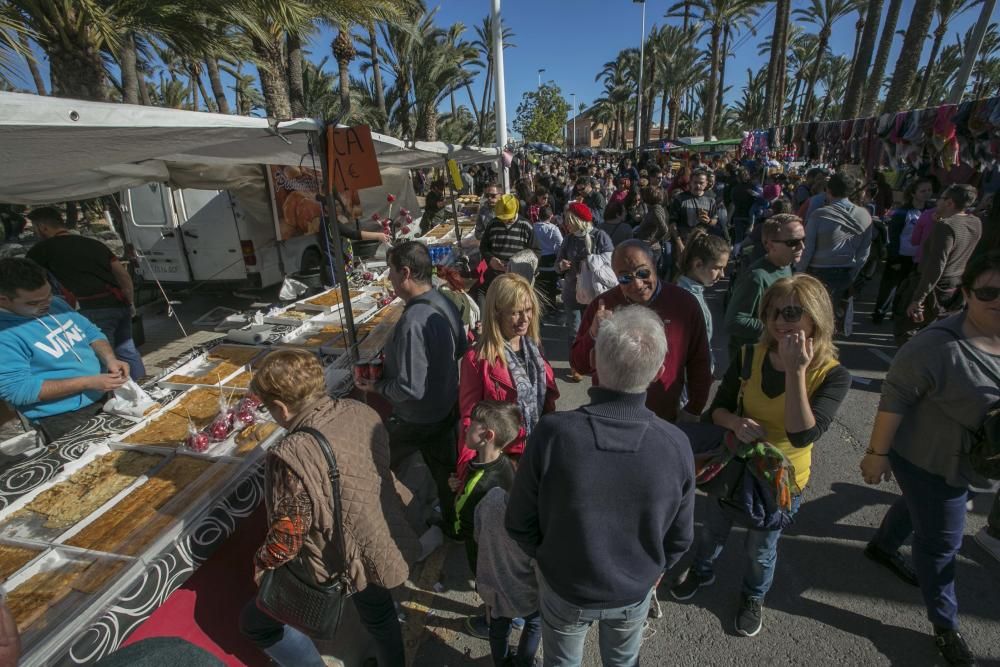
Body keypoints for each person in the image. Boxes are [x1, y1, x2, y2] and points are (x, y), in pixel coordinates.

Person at [506, 306, 695, 667]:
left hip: (565, 587)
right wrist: (652, 572)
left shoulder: (553, 434)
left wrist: (547, 559)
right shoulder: (675, 444)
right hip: (634, 589)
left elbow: (519, 521)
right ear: (659, 372)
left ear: (593, 359)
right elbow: (680, 538)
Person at [673, 274, 850, 636]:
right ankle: (702, 571)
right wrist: (735, 422)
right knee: (712, 531)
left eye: (790, 313)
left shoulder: (832, 375)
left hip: (780, 481)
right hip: (735, 467)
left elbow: (803, 435)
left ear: (816, 317)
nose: (778, 322)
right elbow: (715, 413)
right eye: (771, 313)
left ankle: (753, 595)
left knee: (760, 549)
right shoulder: (748, 355)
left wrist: (797, 370)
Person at [861, 252, 1000, 667]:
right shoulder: (934, 346)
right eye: (989, 291)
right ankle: (945, 625)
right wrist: (876, 455)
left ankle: (883, 547)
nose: (998, 300)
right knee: (942, 541)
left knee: (919, 507)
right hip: (928, 461)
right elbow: (894, 398)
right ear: (967, 294)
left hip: (972, 464)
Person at [241, 349, 419, 667]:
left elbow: (290, 532)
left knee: (256, 623)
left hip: (335, 554)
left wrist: (263, 564)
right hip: (374, 534)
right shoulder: (359, 410)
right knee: (379, 613)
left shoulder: (292, 453)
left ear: (280, 408)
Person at [354, 242, 467, 533]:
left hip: (419, 418)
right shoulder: (446, 301)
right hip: (445, 406)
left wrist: (377, 386)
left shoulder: (413, 322)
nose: (388, 278)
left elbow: (410, 387)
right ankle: (455, 526)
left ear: (404, 272)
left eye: (390, 272)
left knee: (376, 461)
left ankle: (379, 526)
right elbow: (461, 347)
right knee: (445, 474)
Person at [570, 240, 712, 423]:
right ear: (615, 276)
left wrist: (694, 409)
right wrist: (593, 333)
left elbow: (699, 362)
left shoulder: (684, 305)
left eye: (643, 273)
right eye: (625, 278)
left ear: (655, 265)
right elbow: (579, 365)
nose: (637, 284)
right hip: (610, 418)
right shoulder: (601, 307)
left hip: (664, 417)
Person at [0, 257, 130, 443]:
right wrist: (87, 382)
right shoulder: (4, 336)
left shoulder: (56, 304)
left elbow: (91, 332)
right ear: (3, 300)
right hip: (63, 416)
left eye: (49, 295)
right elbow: (18, 391)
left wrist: (110, 359)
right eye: (33, 302)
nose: (46, 304)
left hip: (103, 395)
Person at [26, 206, 145, 380]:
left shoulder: (41, 250)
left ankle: (116, 396)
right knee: (126, 349)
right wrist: (130, 302)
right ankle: (143, 384)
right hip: (118, 303)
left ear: (43, 227)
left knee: (104, 356)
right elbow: (123, 275)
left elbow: (28, 282)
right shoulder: (94, 244)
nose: (35, 232)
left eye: (35, 228)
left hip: (90, 309)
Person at [457, 272, 559, 475]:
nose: (525, 319)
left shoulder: (534, 347)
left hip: (538, 451)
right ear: (497, 312)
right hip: (504, 462)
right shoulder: (477, 358)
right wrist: (467, 470)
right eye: (515, 312)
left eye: (528, 310)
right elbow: (469, 419)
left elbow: (545, 405)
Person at [724, 215, 805, 369]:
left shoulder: (786, 266)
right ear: (769, 245)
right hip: (750, 362)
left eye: (803, 240)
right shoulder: (756, 277)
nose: (802, 247)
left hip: (773, 355)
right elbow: (733, 322)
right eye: (792, 242)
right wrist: (777, 326)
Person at [475, 484, 542, 667]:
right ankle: (523, 662)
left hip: (494, 588)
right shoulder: (540, 520)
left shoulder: (492, 498)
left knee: (498, 627)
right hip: (527, 595)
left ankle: (501, 662)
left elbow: (477, 534)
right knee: (535, 624)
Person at [903, 184, 982, 333]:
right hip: (955, 285)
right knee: (939, 331)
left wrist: (918, 298)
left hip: (935, 286)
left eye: (941, 198)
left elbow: (936, 265)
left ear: (949, 202)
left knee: (906, 330)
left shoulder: (945, 226)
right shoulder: (975, 222)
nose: (937, 201)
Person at [452, 400, 519, 573]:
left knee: (481, 575)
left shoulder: (478, 486)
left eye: (472, 424)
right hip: (501, 541)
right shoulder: (506, 462)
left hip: (481, 548)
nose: (466, 427)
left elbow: (462, 518)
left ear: (488, 436)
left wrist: (461, 492)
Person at [797, 173, 873, 325]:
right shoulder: (864, 215)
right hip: (845, 272)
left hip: (818, 272)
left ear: (828, 190)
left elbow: (808, 250)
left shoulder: (819, 215)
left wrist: (798, 273)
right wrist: (852, 274)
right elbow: (864, 253)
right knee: (830, 317)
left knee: (813, 317)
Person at [557, 203, 615, 382]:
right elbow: (557, 264)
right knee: (575, 330)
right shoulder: (568, 239)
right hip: (572, 291)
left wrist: (591, 261)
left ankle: (599, 363)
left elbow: (611, 261)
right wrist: (561, 266)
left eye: (569, 220)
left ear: (578, 220)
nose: (566, 224)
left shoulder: (600, 236)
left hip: (597, 293)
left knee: (599, 329)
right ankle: (576, 365)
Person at [872, 178, 936, 323]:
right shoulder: (903, 212)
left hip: (918, 258)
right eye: (923, 191)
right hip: (900, 255)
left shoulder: (932, 212)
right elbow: (893, 236)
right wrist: (894, 257)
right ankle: (879, 314)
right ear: (913, 193)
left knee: (907, 289)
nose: (927, 194)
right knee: (889, 287)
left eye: (929, 190)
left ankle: (897, 314)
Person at [677, 229, 731, 371]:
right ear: (698, 264)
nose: (722, 274)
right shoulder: (686, 299)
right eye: (718, 268)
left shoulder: (693, 294)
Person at [479, 194, 536, 298]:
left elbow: (535, 251)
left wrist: (519, 266)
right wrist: (490, 259)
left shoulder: (526, 226)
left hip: (518, 280)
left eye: (508, 218)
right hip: (496, 277)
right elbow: (483, 247)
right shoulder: (492, 224)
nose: (505, 221)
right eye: (503, 217)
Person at [671, 170, 728, 244]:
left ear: (706, 183)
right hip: (684, 241)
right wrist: (679, 244)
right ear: (690, 182)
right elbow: (672, 223)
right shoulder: (680, 199)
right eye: (695, 182)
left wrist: (709, 221)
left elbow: (715, 219)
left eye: (701, 183)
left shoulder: (711, 200)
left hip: (703, 242)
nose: (698, 185)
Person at [532, 205, 563, 312]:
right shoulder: (553, 229)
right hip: (550, 260)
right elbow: (560, 244)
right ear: (551, 216)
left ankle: (540, 308)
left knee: (539, 284)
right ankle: (551, 307)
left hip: (538, 259)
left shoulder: (533, 227)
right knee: (551, 285)